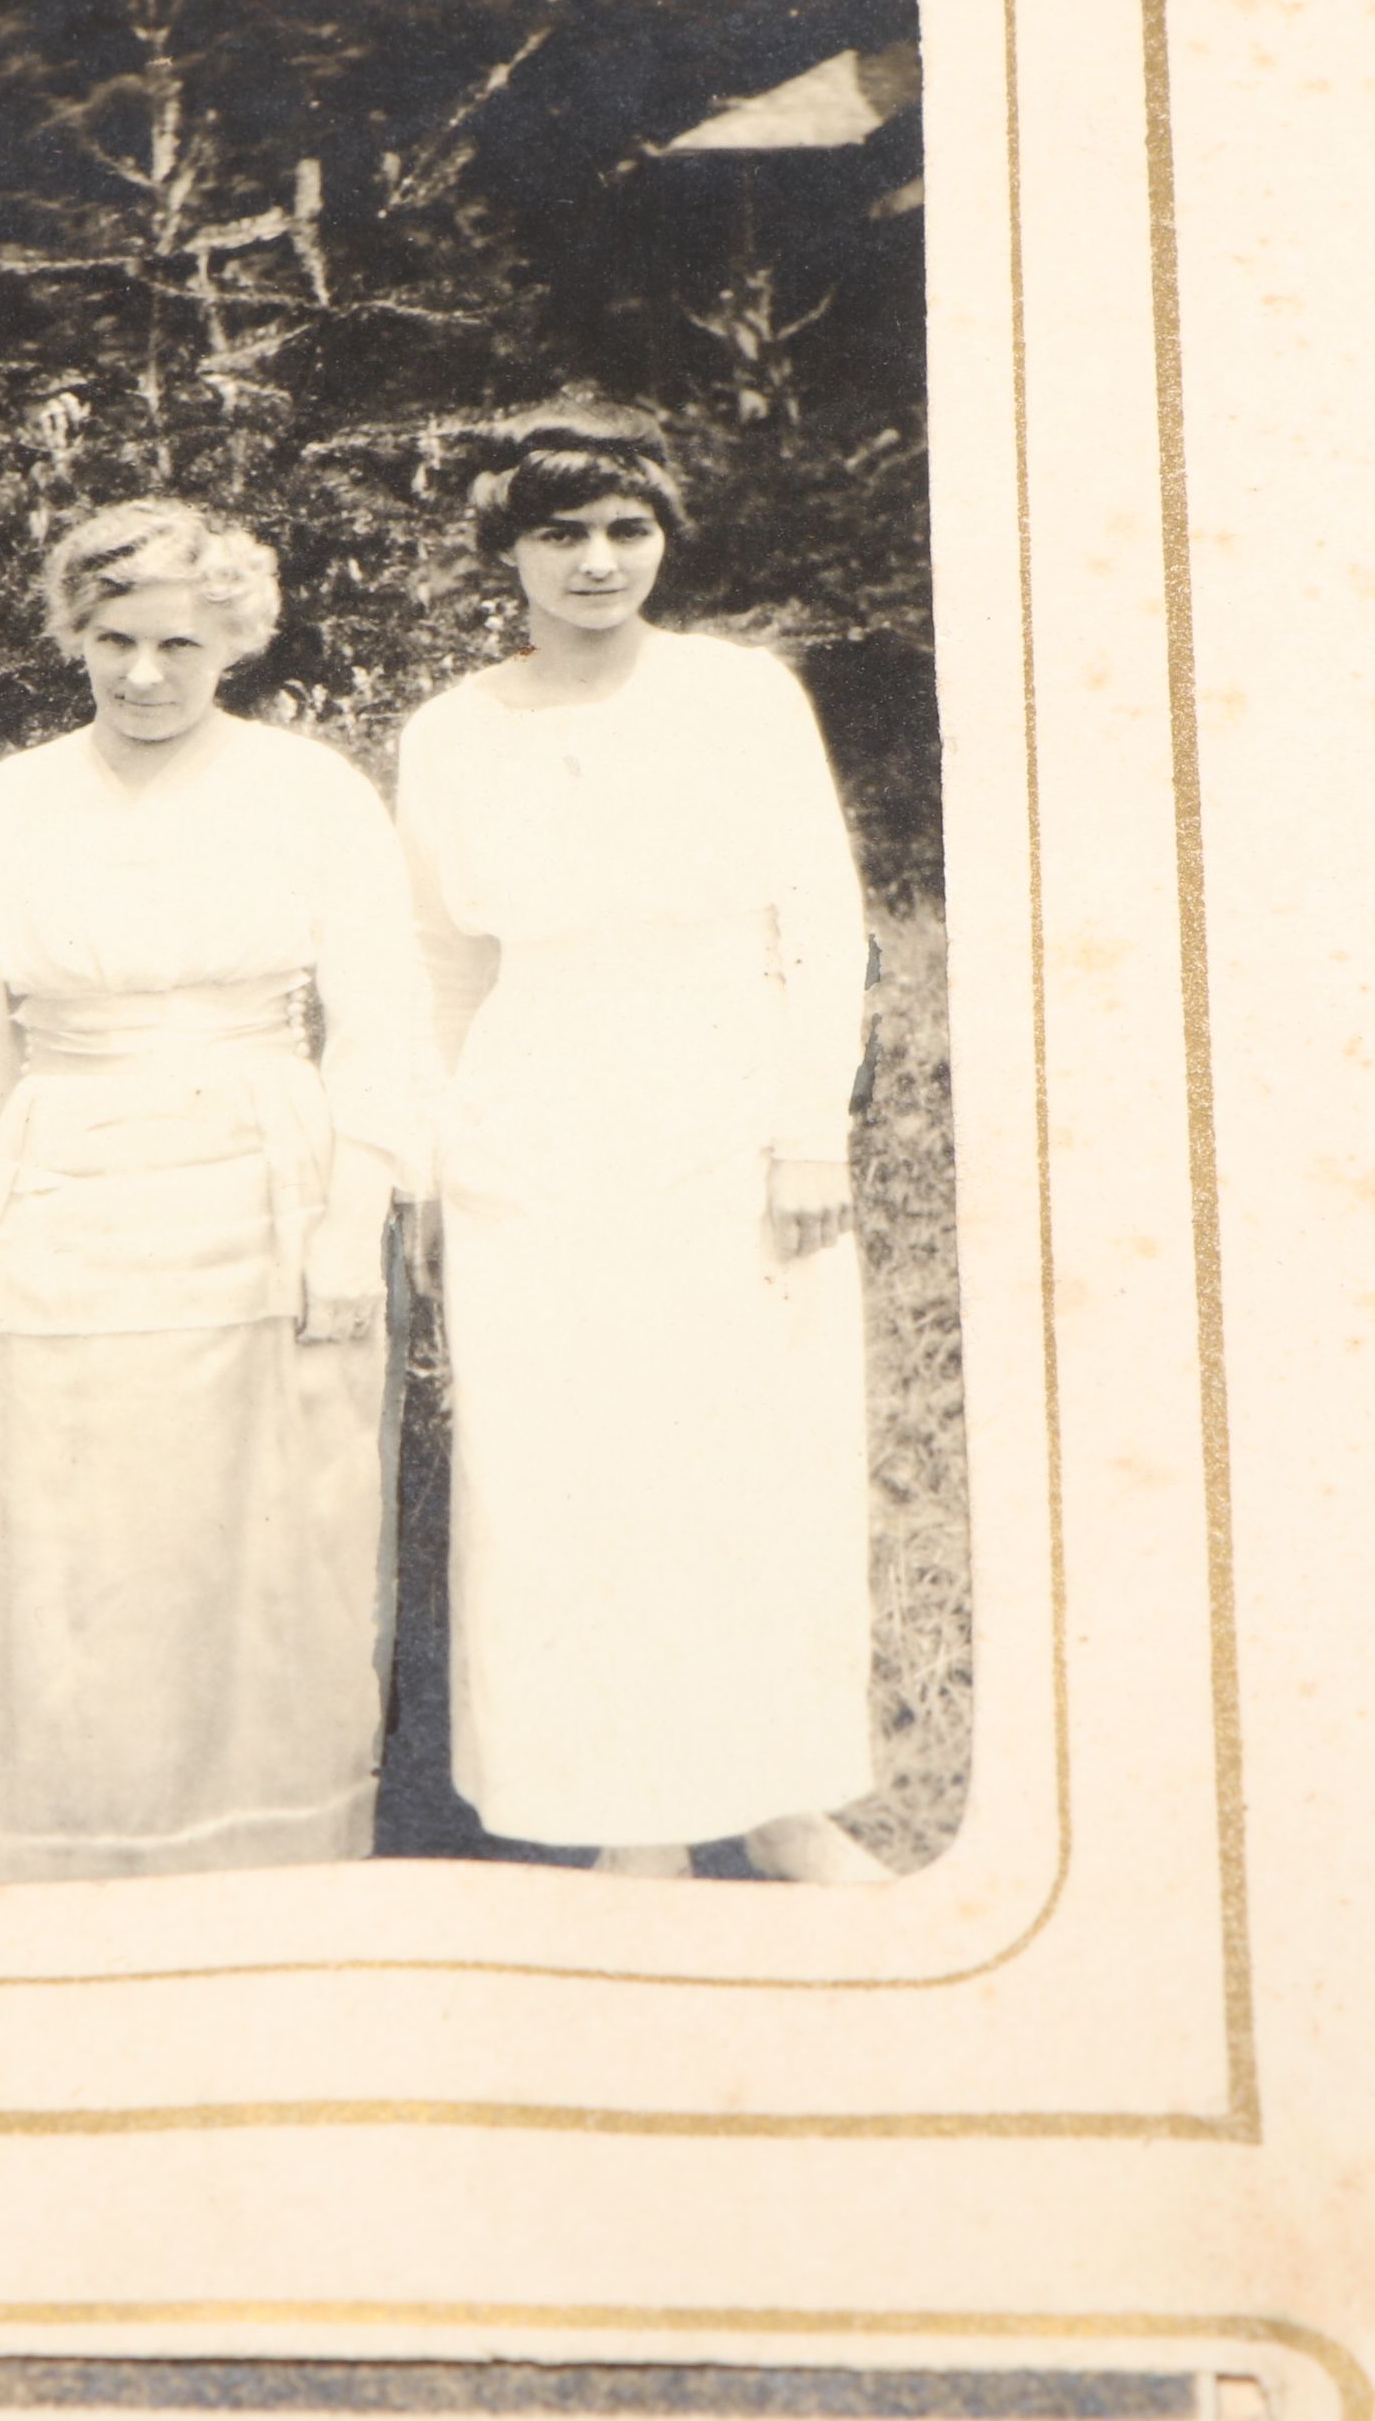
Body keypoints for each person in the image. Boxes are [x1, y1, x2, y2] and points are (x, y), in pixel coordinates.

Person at [0, 498, 431, 1882]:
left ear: (236, 640)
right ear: (75, 635)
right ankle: (40, 1862)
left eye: (180, 642)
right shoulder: (18, 797)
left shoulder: (309, 791)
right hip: (57, 1187)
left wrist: (348, 1232)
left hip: (260, 1191)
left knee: (242, 1545)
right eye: (115, 639)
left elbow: (384, 1028)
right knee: (51, 1543)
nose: (145, 673)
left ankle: (241, 1872)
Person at [395, 411, 889, 1882]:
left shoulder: (740, 696)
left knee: (752, 1456)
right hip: (535, 1129)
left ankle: (780, 1799)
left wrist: (808, 1132)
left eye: (627, 529)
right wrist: (432, 1165)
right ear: (507, 550)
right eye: (561, 533)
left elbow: (822, 921)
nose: (598, 562)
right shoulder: (452, 730)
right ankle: (631, 1817)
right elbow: (439, 965)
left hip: (726, 1114)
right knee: (569, 1469)